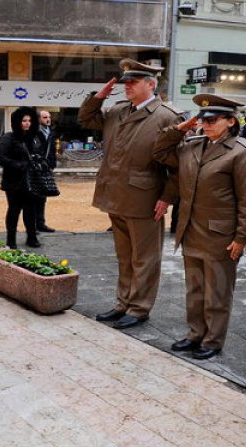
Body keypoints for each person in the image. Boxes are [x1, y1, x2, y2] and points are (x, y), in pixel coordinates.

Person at [154, 94, 246, 359]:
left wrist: (242, 238)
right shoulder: (192, 146)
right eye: (202, 119)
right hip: (191, 229)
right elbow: (160, 152)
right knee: (195, 288)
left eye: (212, 120)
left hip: (221, 235)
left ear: (230, 122)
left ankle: (212, 340)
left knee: (217, 292)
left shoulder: (242, 153)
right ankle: (195, 334)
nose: (206, 125)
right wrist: (181, 127)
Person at [78, 58, 185, 330]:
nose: (127, 86)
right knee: (124, 255)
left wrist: (167, 197)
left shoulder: (167, 117)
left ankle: (139, 308)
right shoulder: (117, 110)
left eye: (133, 81)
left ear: (151, 84)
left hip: (145, 197)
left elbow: (178, 165)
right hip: (116, 194)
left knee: (145, 257)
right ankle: (122, 303)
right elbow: (87, 119)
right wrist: (98, 97)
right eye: (125, 81)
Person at [0, 106, 42, 249]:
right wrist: (18, 165)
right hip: (14, 181)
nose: (27, 123)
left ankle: (32, 237)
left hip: (31, 181)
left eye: (29, 120)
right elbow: (0, 157)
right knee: (14, 210)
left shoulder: (33, 138)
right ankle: (11, 240)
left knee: (30, 210)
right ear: (17, 121)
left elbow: (38, 155)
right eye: (24, 120)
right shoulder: (8, 137)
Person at [35, 110, 58, 233]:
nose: (48, 119)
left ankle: (40, 223)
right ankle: (33, 225)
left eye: (49, 117)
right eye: (44, 117)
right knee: (34, 197)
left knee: (42, 197)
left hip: (46, 168)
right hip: (36, 168)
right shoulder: (34, 132)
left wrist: (52, 164)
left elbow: (52, 150)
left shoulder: (50, 132)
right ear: (38, 119)